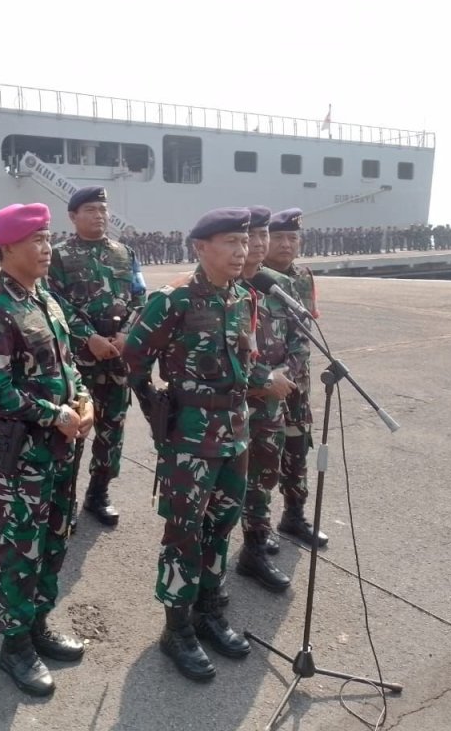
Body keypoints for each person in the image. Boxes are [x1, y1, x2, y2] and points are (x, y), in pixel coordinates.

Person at [124, 207, 260, 682]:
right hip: (189, 438)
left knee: (222, 525)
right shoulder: (173, 301)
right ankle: (176, 628)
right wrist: (159, 413)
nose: (242, 251)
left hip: (235, 434)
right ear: (201, 248)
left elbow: (245, 362)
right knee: (184, 532)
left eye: (244, 242)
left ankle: (209, 610)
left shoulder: (242, 298)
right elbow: (133, 359)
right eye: (231, 242)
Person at [0, 203, 94, 697]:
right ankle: (14, 643)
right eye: (36, 240)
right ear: (6, 248)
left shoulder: (47, 301)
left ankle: (39, 621)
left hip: (61, 447)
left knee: (57, 535)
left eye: (47, 238)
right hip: (24, 454)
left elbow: (68, 365)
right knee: (22, 547)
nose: (47, 248)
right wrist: (54, 414)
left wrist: (83, 399)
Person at [47, 186, 145, 528]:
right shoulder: (58, 256)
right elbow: (52, 302)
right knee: (74, 427)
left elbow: (140, 297)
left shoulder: (125, 253)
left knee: (112, 429)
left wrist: (126, 332)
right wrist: (87, 337)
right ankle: (66, 497)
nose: (99, 215)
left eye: (102, 209)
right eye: (90, 210)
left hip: (117, 357)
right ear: (73, 216)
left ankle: (98, 493)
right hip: (79, 360)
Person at [235, 205, 305, 595]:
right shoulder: (220, 286)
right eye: (253, 236)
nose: (260, 243)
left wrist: (284, 378)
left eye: (264, 235)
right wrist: (264, 379)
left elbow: (300, 341)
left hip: (272, 403)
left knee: (263, 476)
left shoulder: (279, 285)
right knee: (222, 487)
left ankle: (255, 548)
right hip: (229, 405)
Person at [264, 208, 328, 548]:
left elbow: (307, 328)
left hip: (297, 385)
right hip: (263, 386)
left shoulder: (304, 276)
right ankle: (258, 528)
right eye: (278, 237)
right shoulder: (253, 277)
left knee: (297, 449)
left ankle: (294, 516)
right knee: (261, 457)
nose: (286, 244)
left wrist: (292, 373)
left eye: (292, 238)